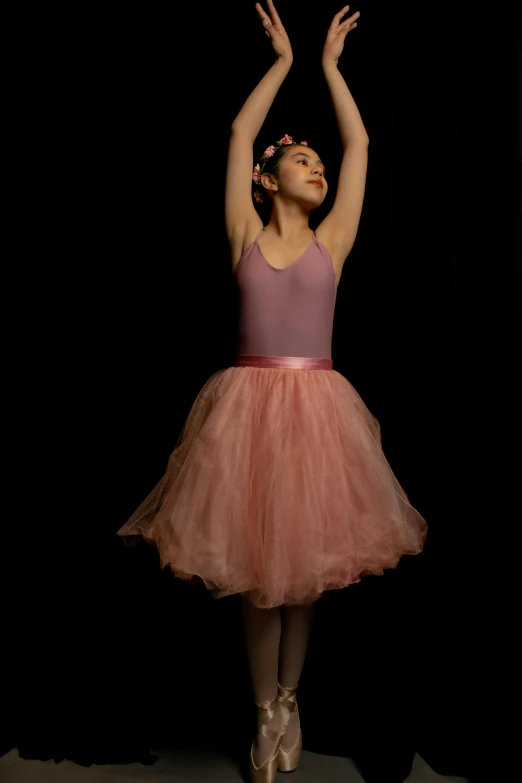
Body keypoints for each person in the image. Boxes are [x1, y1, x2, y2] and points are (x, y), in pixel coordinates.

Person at [116, 2, 428, 781]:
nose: (318, 166)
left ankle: (291, 696)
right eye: (301, 160)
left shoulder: (334, 242)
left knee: (305, 574)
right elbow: (233, 134)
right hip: (247, 415)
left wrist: (330, 67)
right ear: (266, 179)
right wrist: (284, 63)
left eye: (318, 163)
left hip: (319, 413)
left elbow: (359, 141)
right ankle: (263, 713)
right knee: (260, 574)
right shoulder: (244, 236)